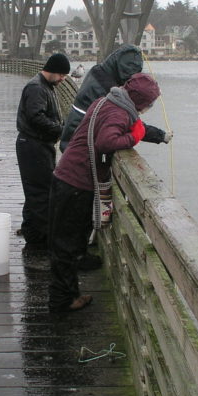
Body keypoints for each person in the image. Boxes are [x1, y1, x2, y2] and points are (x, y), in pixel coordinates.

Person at [48, 72, 171, 313]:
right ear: (138, 101)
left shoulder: (106, 101)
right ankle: (62, 301)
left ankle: (66, 294)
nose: (150, 106)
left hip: (66, 176)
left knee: (66, 241)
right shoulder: (119, 113)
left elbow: (130, 126)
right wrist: (135, 136)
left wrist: (159, 136)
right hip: (76, 183)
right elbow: (107, 142)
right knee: (66, 245)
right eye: (149, 103)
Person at [59, 43, 167, 151]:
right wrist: (160, 135)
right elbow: (128, 123)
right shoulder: (109, 91)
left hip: (71, 139)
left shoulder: (97, 72)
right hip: (80, 148)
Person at [15, 52, 71, 247]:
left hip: (38, 145)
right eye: (62, 75)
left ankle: (32, 232)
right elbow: (35, 117)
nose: (63, 79)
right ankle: (45, 239)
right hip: (32, 145)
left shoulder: (46, 86)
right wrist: (62, 130)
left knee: (35, 190)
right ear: (54, 71)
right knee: (41, 192)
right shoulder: (37, 88)